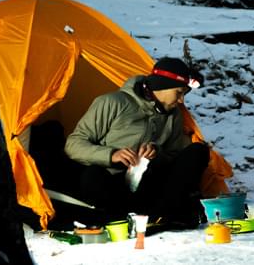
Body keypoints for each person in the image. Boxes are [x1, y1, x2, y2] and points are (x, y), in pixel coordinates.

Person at [65, 57, 209, 228]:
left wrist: (156, 153)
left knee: (197, 151)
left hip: (147, 182)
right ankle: (130, 216)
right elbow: (73, 144)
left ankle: (158, 216)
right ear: (161, 86)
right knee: (92, 175)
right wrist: (111, 155)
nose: (181, 101)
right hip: (112, 182)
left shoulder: (174, 114)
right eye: (179, 93)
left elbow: (175, 156)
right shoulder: (113, 102)